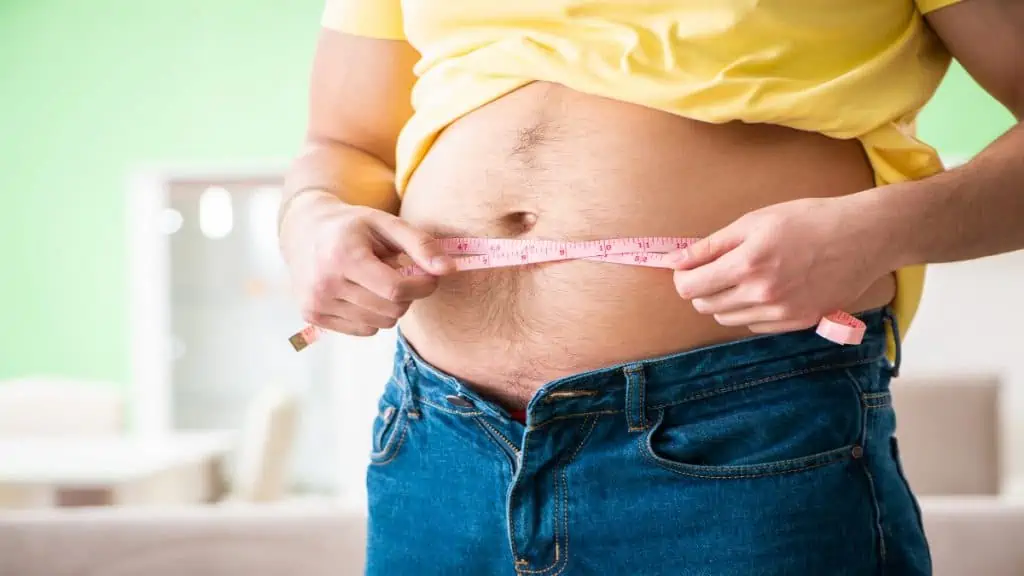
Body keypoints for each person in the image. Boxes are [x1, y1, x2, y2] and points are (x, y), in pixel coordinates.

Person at [278, 0, 1023, 573]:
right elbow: (344, 144)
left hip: (747, 426)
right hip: (438, 437)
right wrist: (314, 220)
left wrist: (874, 231)